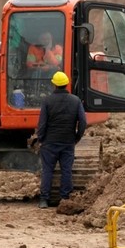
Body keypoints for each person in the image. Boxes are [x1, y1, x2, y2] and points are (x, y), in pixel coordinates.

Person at [36, 71, 87, 208]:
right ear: (67, 84)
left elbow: (42, 124)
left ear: (54, 85)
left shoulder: (47, 101)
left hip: (49, 142)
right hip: (67, 142)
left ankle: (44, 200)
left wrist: (41, 138)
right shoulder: (75, 101)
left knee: (47, 170)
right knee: (66, 170)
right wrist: (76, 138)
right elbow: (82, 122)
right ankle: (65, 198)